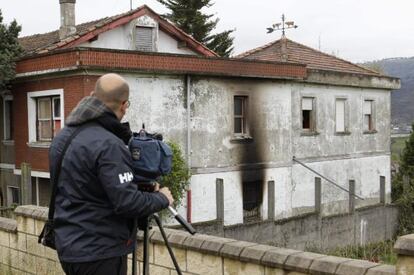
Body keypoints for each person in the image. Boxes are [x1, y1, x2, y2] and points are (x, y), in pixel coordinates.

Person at [49, 73, 174, 275]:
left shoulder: (62, 136)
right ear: (124, 105)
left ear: (92, 95)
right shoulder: (109, 144)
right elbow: (127, 203)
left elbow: (85, 188)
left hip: (68, 246)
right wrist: (161, 198)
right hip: (99, 252)